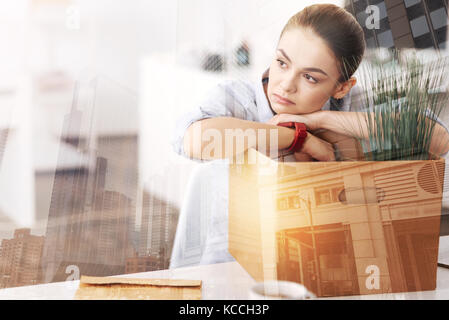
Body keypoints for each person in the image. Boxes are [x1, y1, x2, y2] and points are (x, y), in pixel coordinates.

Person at [169, 4, 449, 268]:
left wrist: (321, 119)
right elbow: (193, 139)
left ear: (342, 88)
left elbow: (437, 138)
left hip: (328, 264)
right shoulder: (240, 100)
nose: (286, 85)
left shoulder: (349, 103)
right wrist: (297, 137)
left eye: (310, 78)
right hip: (237, 269)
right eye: (282, 62)